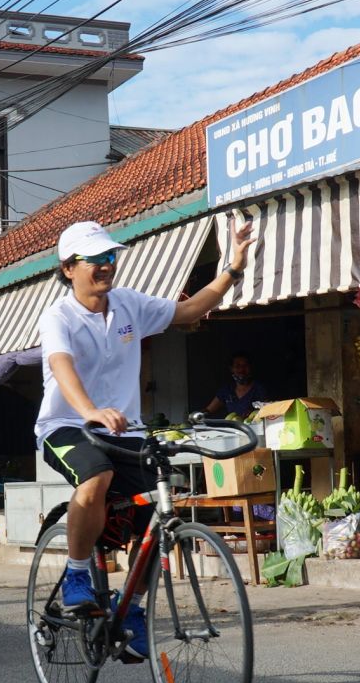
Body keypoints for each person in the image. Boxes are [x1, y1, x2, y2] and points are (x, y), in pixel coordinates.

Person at [37, 218, 255, 660]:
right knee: (95, 476)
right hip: (67, 426)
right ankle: (78, 574)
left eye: (110, 257)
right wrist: (90, 411)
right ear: (68, 268)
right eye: (95, 259)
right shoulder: (57, 317)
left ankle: (131, 606)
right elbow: (62, 367)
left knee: (162, 507)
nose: (105, 265)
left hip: (126, 431)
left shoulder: (128, 305)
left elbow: (189, 311)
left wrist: (233, 266)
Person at [201, 352, 269, 419]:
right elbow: (209, 410)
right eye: (237, 366)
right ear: (231, 369)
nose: (241, 370)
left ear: (250, 367)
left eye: (245, 366)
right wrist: (198, 416)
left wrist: (254, 413)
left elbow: (267, 410)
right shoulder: (227, 390)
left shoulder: (259, 389)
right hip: (231, 428)